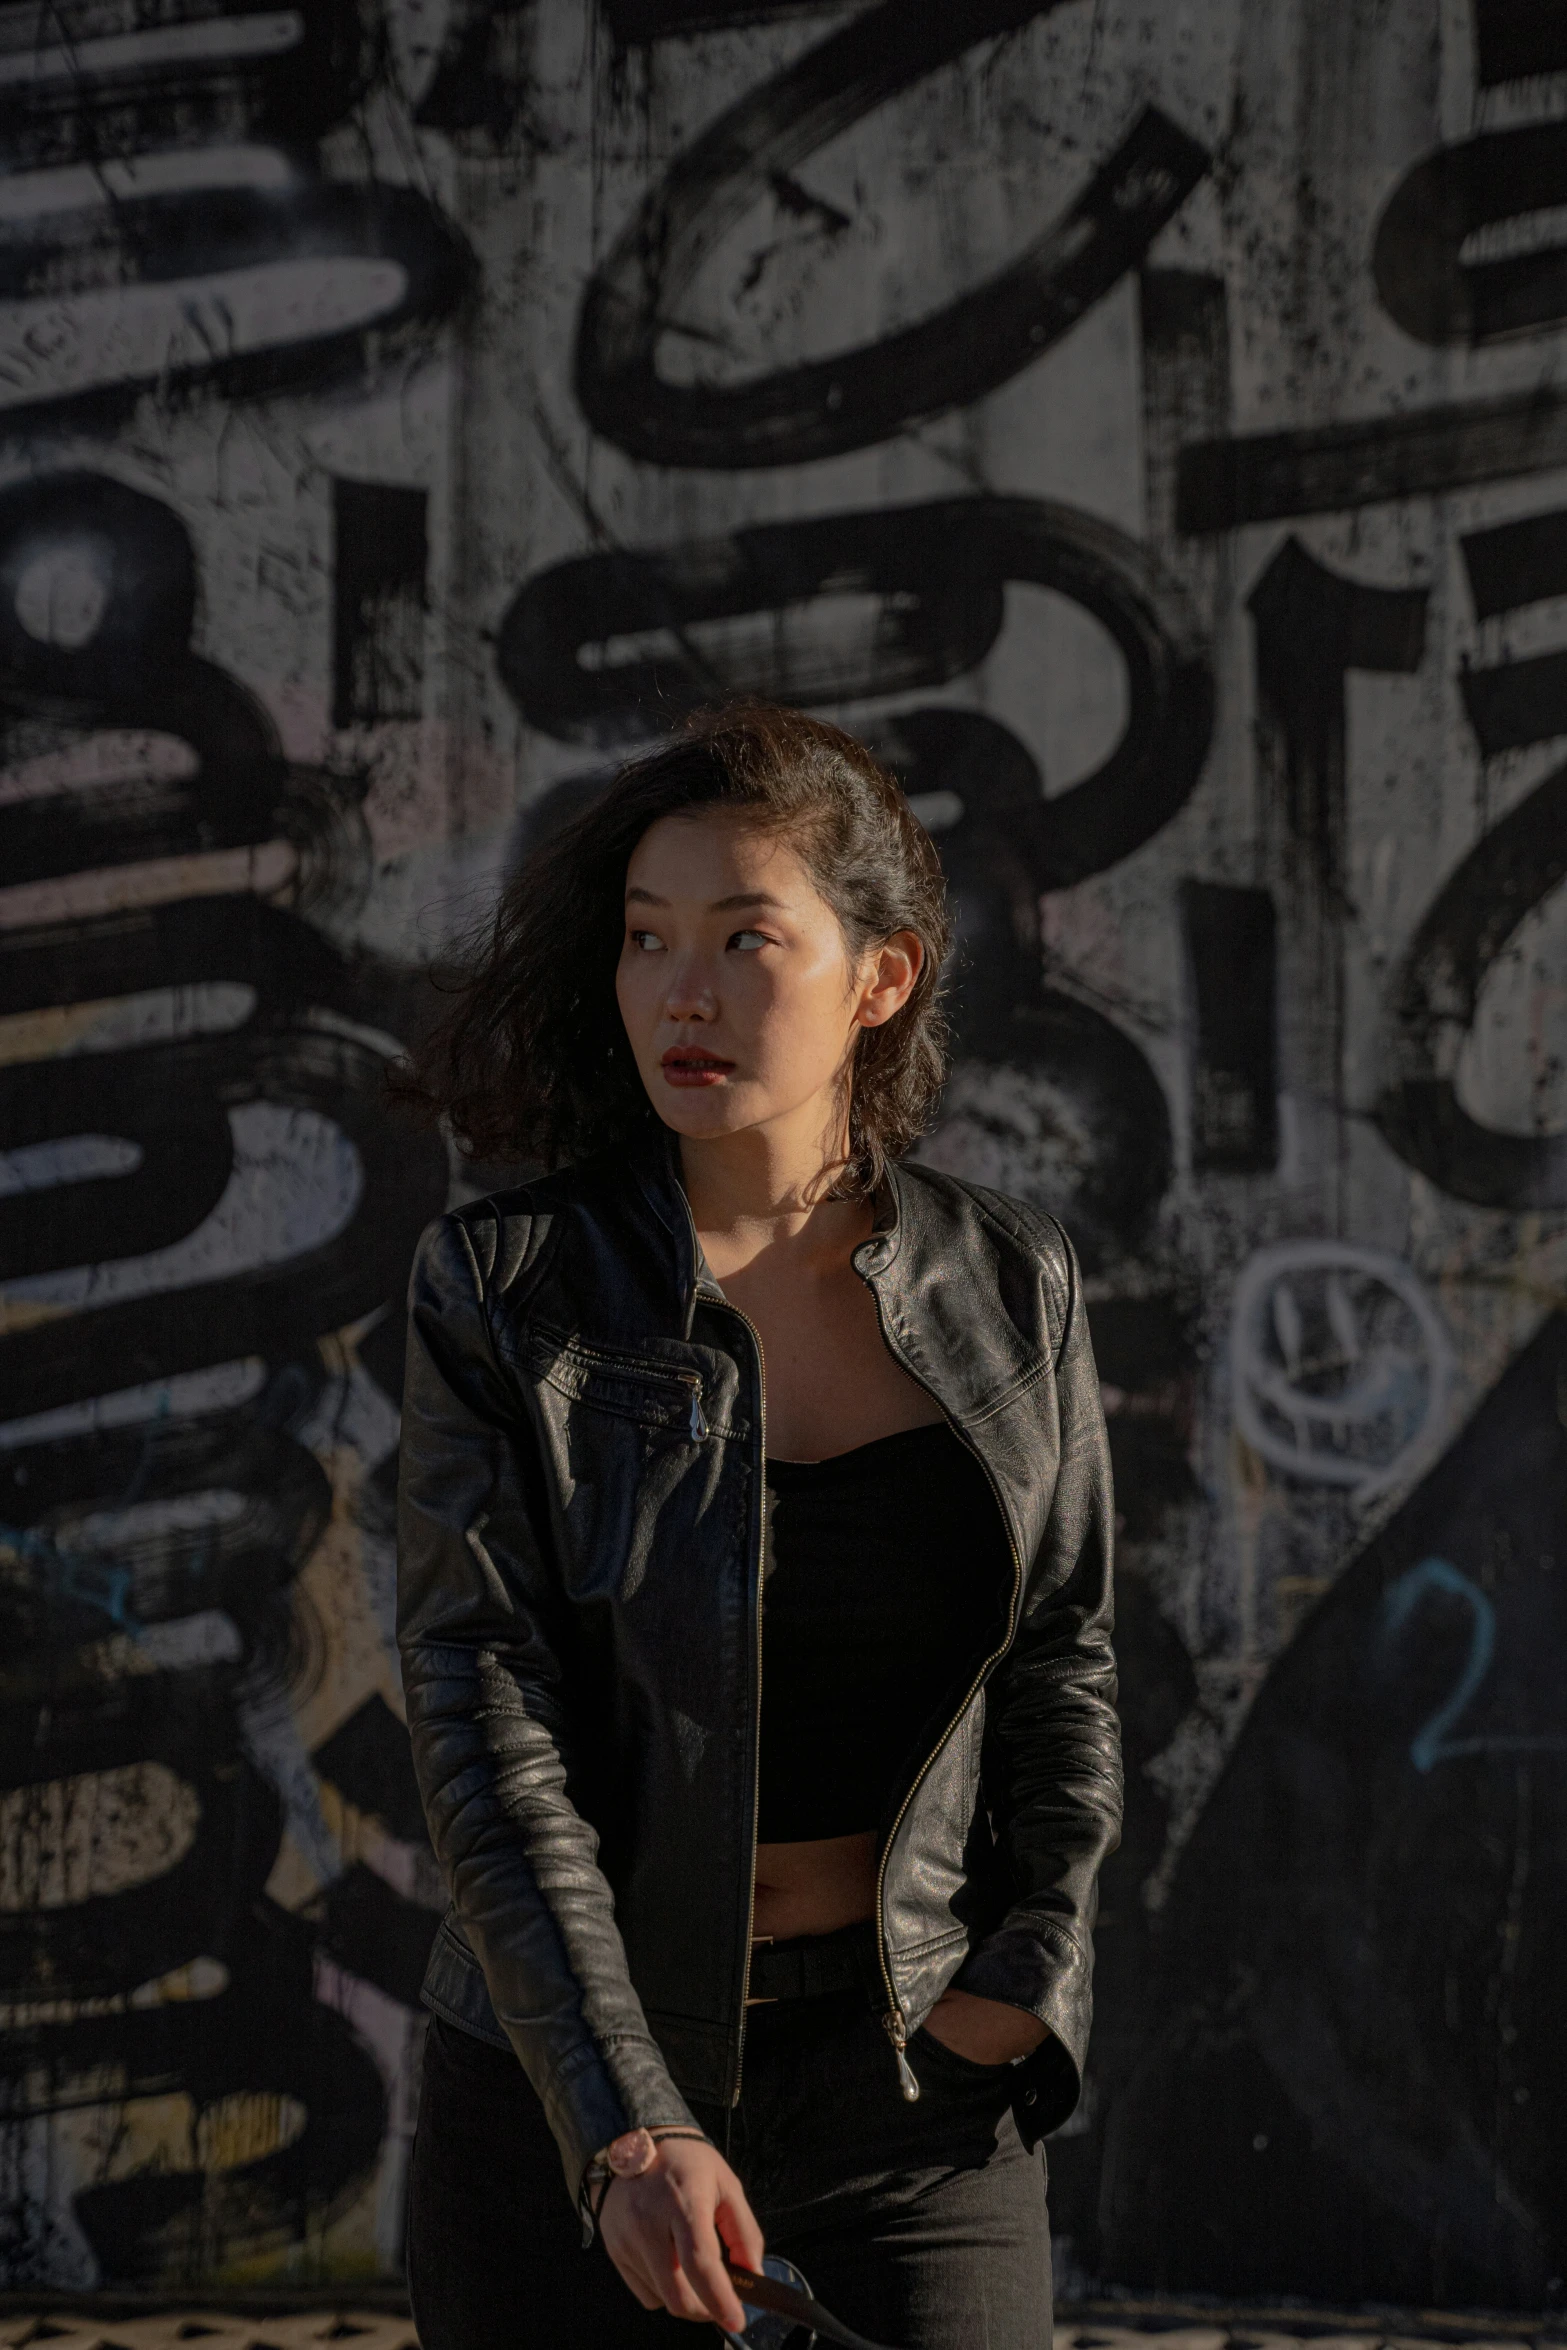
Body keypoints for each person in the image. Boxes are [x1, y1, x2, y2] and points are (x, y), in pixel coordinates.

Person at [393, 703, 1121, 2349]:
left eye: (745, 937)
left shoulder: (1013, 1287)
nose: (683, 990)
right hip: (574, 2094)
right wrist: (627, 2123)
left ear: (884, 974)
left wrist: (1025, 1971)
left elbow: (1061, 1658)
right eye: (648, 939)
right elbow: (484, 1723)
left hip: (910, 2091)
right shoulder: (508, 1293)